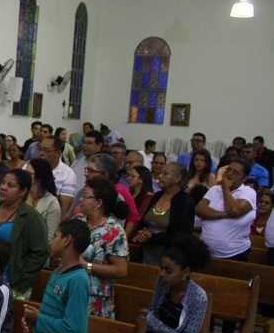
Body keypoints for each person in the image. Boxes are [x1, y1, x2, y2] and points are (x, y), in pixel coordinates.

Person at [0, 170, 49, 299]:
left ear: (23, 191)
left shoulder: (30, 217)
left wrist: (21, 281)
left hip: (12, 283)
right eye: (3, 183)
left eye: (10, 185)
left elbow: (40, 253)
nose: (3, 187)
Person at [79, 177, 129, 318]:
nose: (81, 199)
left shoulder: (114, 231)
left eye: (85, 196)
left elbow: (120, 270)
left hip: (95, 298)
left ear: (99, 203)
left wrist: (86, 265)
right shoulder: (78, 222)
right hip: (72, 290)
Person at [132, 163, 194, 266]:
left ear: (178, 178)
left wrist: (153, 237)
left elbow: (183, 234)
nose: (160, 176)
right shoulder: (157, 196)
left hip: (169, 256)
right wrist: (141, 233)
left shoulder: (185, 202)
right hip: (147, 251)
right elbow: (144, 221)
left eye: (165, 174)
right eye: (160, 173)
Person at [197, 158, 256, 261]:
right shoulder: (215, 189)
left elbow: (234, 210)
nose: (229, 174)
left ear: (244, 178)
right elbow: (199, 210)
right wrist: (225, 214)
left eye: (236, 172)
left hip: (234, 254)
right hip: (205, 252)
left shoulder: (249, 192)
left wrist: (225, 188)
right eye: (229, 169)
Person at [24, 158, 61, 246]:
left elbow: (49, 239)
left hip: (38, 251)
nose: (24, 176)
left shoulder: (52, 203)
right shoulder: (22, 195)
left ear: (39, 178)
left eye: (28, 174)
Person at [38, 136, 76, 217]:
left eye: (46, 150)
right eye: (40, 149)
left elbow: (63, 210)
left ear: (58, 153)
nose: (41, 153)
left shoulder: (68, 174)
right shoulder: (30, 166)